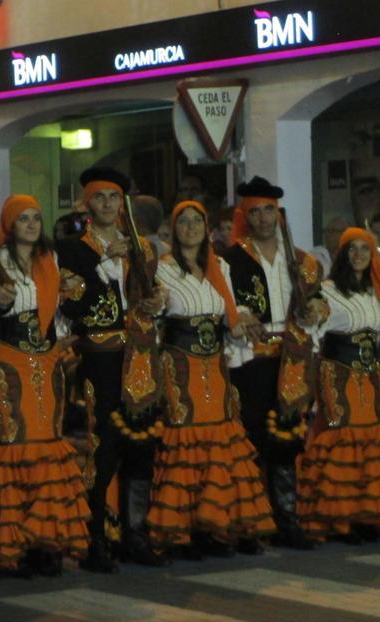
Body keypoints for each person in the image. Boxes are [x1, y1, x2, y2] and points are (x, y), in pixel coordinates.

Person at [0, 195, 91, 578]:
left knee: (47, 445)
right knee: (14, 443)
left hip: (49, 361)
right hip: (9, 360)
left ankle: (43, 542)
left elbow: (56, 312)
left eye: (37, 218)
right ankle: (9, 545)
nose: (33, 225)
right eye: (24, 219)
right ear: (10, 225)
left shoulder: (48, 261)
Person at [147, 201, 276, 558]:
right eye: (183, 222)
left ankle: (218, 527)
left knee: (220, 438)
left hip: (215, 366)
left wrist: (245, 324)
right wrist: (153, 301)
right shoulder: (162, 269)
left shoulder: (220, 266)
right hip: (180, 367)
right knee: (185, 440)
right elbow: (155, 314)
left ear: (207, 228)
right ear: (174, 230)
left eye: (197, 221)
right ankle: (183, 530)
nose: (191, 228)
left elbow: (229, 317)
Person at [55, 166, 166, 573]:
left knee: (141, 444)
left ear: (123, 204)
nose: (107, 204)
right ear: (87, 203)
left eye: (114, 198)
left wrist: (156, 303)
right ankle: (95, 538)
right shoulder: (71, 249)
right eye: (99, 197)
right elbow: (70, 302)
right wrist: (104, 259)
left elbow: (146, 296)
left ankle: (135, 533)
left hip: (139, 356)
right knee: (103, 447)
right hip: (99, 357)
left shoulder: (142, 247)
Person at [222, 177, 324, 550]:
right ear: (244, 216)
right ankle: (250, 522)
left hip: (292, 358)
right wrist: (240, 315)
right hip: (251, 360)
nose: (262, 218)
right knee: (252, 437)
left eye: (268, 210)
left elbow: (319, 301)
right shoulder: (230, 260)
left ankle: (286, 519)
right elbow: (225, 305)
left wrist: (317, 307)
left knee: (286, 437)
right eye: (255, 211)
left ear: (278, 215)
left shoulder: (302, 261)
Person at [298, 228, 380, 543]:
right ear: (343, 253)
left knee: (370, 435)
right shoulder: (328, 290)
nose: (359, 255)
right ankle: (342, 517)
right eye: (353, 249)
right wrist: (311, 312)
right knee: (344, 435)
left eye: (366, 249)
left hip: (371, 374)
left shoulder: (376, 291)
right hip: (338, 372)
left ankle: (367, 514)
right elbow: (314, 319)